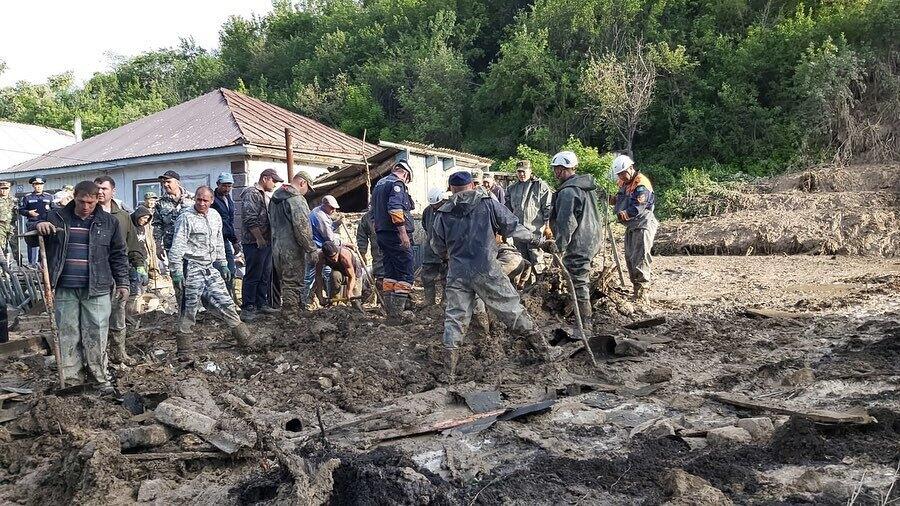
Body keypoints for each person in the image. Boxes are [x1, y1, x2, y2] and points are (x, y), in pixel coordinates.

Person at [431, 171, 557, 381]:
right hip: (487, 269)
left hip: (458, 273)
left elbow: (437, 246)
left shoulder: (443, 213)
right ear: (472, 185)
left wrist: (453, 256)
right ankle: (545, 351)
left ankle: (448, 372)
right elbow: (513, 226)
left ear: (451, 188)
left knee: (454, 319)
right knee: (511, 309)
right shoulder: (487, 203)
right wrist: (539, 242)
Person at [36, 181, 129, 394]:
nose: (85, 206)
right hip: (64, 286)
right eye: (81, 201)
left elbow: (118, 254)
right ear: (74, 196)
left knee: (96, 332)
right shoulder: (57, 217)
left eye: (90, 202)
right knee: (67, 333)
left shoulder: (109, 222)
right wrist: (37, 226)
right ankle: (71, 380)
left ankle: (99, 378)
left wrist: (123, 282)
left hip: (96, 288)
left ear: (98, 199)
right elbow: (34, 239)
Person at [168, 186, 251, 357]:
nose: (201, 203)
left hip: (209, 267)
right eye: (199, 199)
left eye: (205, 200)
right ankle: (184, 349)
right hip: (190, 267)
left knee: (226, 302)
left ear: (211, 200)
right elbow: (177, 246)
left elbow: (219, 241)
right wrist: (176, 271)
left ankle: (245, 339)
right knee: (189, 308)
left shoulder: (215, 216)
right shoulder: (186, 218)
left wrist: (223, 263)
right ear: (195, 199)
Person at [549, 151, 601, 331]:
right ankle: (582, 316)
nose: (555, 173)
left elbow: (566, 222)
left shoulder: (569, 191)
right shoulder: (585, 187)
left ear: (562, 169)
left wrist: (559, 247)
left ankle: (585, 323)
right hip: (592, 237)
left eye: (556, 169)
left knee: (578, 279)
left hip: (580, 240)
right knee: (581, 276)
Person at [95, 176, 141, 366]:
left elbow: (133, 243)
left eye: (104, 189)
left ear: (113, 191)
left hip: (118, 272)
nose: (100, 192)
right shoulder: (89, 213)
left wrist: (139, 265)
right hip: (96, 272)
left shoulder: (122, 217)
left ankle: (119, 352)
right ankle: (99, 355)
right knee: (97, 316)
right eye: (97, 188)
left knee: (118, 313)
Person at [611, 154, 658, 306]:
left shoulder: (641, 184)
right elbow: (621, 199)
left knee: (640, 257)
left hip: (643, 223)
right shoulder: (624, 183)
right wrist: (613, 200)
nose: (621, 177)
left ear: (631, 168)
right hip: (632, 225)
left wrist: (625, 213)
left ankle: (642, 293)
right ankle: (636, 289)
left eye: (623, 173)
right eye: (619, 174)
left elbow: (638, 207)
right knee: (630, 257)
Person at [371, 161, 416, 322]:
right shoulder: (397, 184)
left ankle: (390, 313)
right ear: (406, 174)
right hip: (395, 234)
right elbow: (395, 209)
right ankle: (396, 316)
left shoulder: (379, 185)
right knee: (405, 272)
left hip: (382, 235)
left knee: (390, 273)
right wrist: (403, 234)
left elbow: (373, 213)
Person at [269, 172, 316, 313]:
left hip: (277, 246)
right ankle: (290, 315)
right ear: (302, 183)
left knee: (285, 280)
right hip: (292, 247)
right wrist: (311, 248)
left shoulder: (275, 197)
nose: (307, 192)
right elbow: (302, 227)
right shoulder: (296, 200)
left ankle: (295, 309)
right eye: (308, 188)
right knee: (293, 282)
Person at [240, 168, 282, 321]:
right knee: (253, 274)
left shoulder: (263, 195)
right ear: (265, 178)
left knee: (265, 274)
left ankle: (261, 303)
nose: (275, 184)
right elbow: (249, 217)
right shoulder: (251, 193)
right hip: (254, 242)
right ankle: (248, 306)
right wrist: (258, 238)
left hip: (265, 241)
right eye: (274, 181)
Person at [505, 160, 553, 274]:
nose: (521, 174)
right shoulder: (512, 189)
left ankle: (541, 286)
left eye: (524, 171)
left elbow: (548, 208)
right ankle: (526, 288)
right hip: (518, 233)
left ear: (530, 171)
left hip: (535, 232)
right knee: (522, 262)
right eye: (519, 171)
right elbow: (507, 211)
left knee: (537, 260)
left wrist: (547, 226)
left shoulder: (541, 186)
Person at [152, 170, 194, 281]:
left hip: (191, 246)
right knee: (177, 278)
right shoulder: (160, 203)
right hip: (171, 246)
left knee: (192, 278)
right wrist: (158, 245)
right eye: (163, 182)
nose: (165, 185)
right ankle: (180, 298)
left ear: (178, 182)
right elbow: (157, 225)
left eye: (168, 182)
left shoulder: (192, 199)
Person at [313, 241, 370, 310]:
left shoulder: (345, 256)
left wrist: (349, 292)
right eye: (331, 258)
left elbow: (352, 276)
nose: (335, 259)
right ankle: (334, 306)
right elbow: (318, 276)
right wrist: (320, 296)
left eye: (335, 256)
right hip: (339, 272)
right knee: (334, 275)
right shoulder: (321, 257)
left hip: (354, 273)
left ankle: (358, 311)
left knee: (354, 300)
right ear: (325, 256)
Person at [211, 172, 240, 293]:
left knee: (231, 270)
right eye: (224, 186)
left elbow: (230, 221)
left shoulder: (228, 198)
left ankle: (230, 296)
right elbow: (222, 222)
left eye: (229, 186)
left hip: (226, 239)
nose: (227, 188)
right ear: (218, 184)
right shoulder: (213, 199)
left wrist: (234, 241)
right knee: (219, 270)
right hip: (216, 240)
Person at [421, 187, 449, 307]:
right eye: (432, 205)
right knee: (427, 275)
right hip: (430, 249)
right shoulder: (427, 211)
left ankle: (445, 300)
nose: (434, 207)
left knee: (447, 277)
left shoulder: (449, 209)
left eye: (436, 204)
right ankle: (429, 300)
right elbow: (425, 225)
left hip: (446, 249)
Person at [19, 176, 54, 266]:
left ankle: (42, 263)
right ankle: (32, 264)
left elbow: (54, 209)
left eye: (40, 184)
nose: (38, 186)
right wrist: (28, 212)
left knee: (47, 244)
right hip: (32, 223)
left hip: (46, 223)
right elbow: (21, 210)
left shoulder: (49, 197)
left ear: (43, 185)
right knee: (32, 244)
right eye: (36, 185)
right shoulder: (27, 197)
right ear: (33, 186)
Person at [129, 207, 153, 316]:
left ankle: (141, 307)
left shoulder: (143, 227)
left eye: (147, 219)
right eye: (143, 218)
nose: (144, 221)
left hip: (143, 258)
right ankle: (132, 310)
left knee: (144, 282)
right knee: (135, 284)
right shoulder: (130, 226)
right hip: (133, 260)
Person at [355, 207, 384, 291]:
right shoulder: (368, 217)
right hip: (378, 253)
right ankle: (382, 299)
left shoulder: (394, 210)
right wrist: (362, 252)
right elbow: (361, 236)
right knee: (380, 277)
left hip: (395, 251)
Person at [0, 181, 16, 254]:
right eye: (2, 188)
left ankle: (20, 264)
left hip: (12, 225)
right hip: (1, 226)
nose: (4, 190)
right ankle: (5, 264)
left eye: (6, 188)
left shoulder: (14, 200)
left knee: (15, 247)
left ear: (9, 189)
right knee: (2, 247)